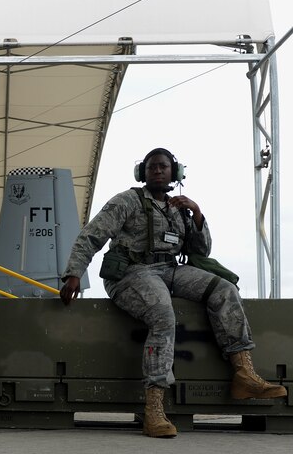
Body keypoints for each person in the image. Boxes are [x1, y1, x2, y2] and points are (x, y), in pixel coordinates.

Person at [60, 147, 286, 438]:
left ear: (175, 173)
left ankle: (244, 375)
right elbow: (92, 234)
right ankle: (154, 407)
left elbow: (200, 251)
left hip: (169, 270)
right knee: (163, 315)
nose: (157, 171)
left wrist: (197, 212)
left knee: (224, 289)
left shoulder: (179, 208)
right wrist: (74, 273)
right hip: (131, 273)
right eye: (152, 166)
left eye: (164, 167)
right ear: (142, 172)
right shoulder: (127, 200)